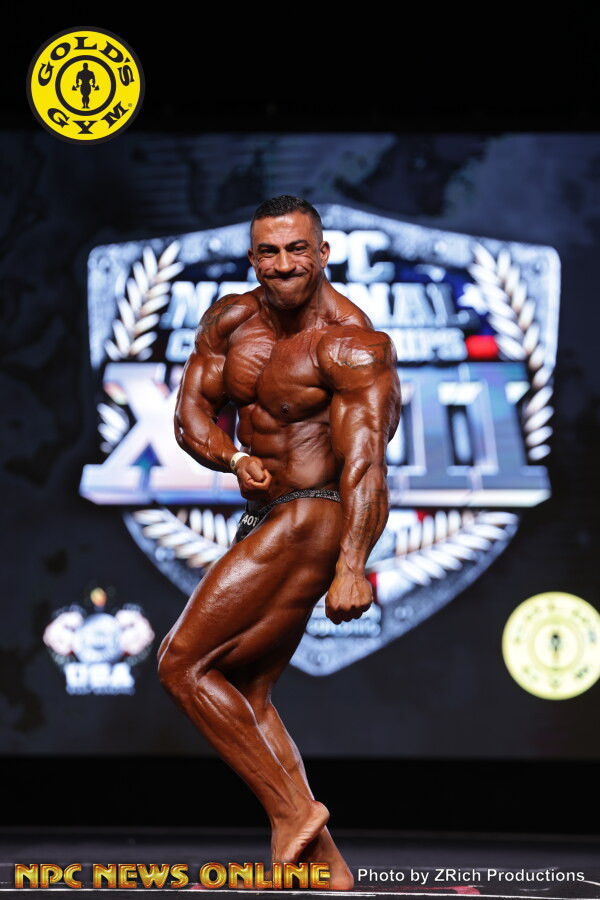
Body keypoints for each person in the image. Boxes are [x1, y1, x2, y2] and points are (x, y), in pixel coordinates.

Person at [157, 195, 401, 889]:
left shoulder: (351, 342)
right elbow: (191, 417)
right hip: (267, 515)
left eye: (298, 249)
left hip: (315, 514)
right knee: (244, 690)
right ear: (253, 258)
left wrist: (352, 565)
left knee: (182, 664)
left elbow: (365, 463)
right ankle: (325, 867)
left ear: (323, 254)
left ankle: (294, 812)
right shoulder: (231, 320)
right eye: (269, 251)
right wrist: (234, 459)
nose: (284, 264)